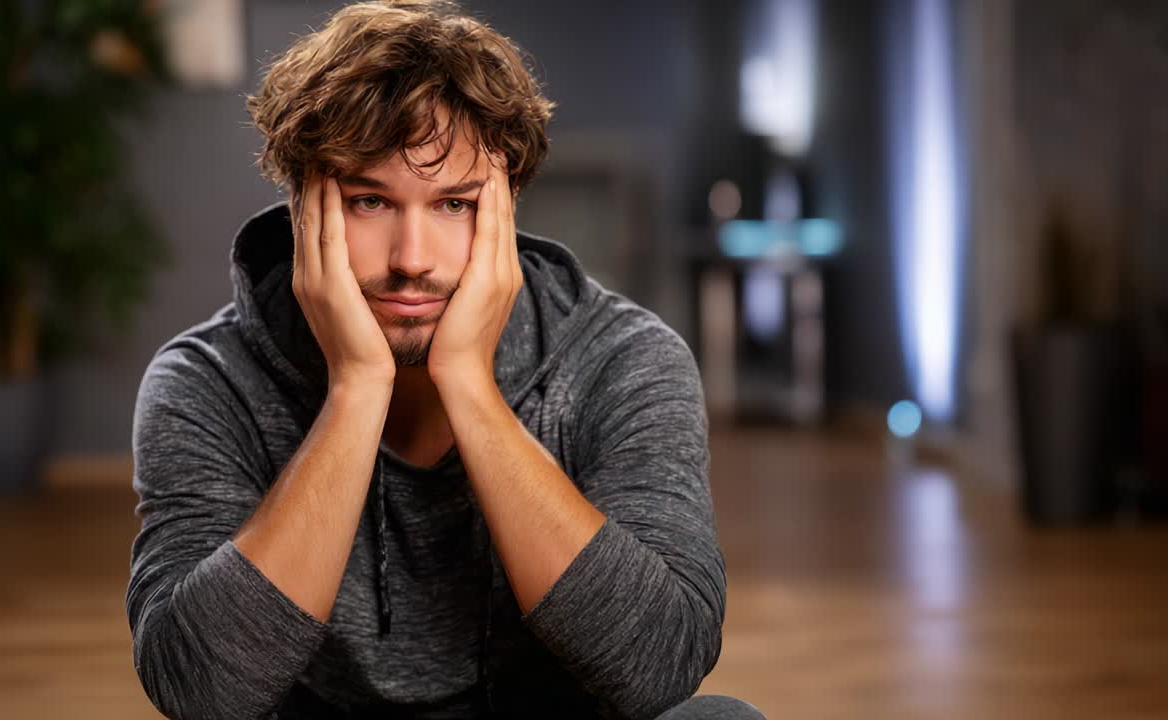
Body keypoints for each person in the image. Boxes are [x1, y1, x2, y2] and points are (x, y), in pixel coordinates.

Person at [126, 1, 764, 718]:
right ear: (301, 206)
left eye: (454, 205)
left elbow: (661, 666)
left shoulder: (624, 358)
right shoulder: (205, 382)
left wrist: (468, 384)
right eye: (369, 202)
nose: (412, 261)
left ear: (507, 205)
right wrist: (356, 388)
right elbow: (202, 695)